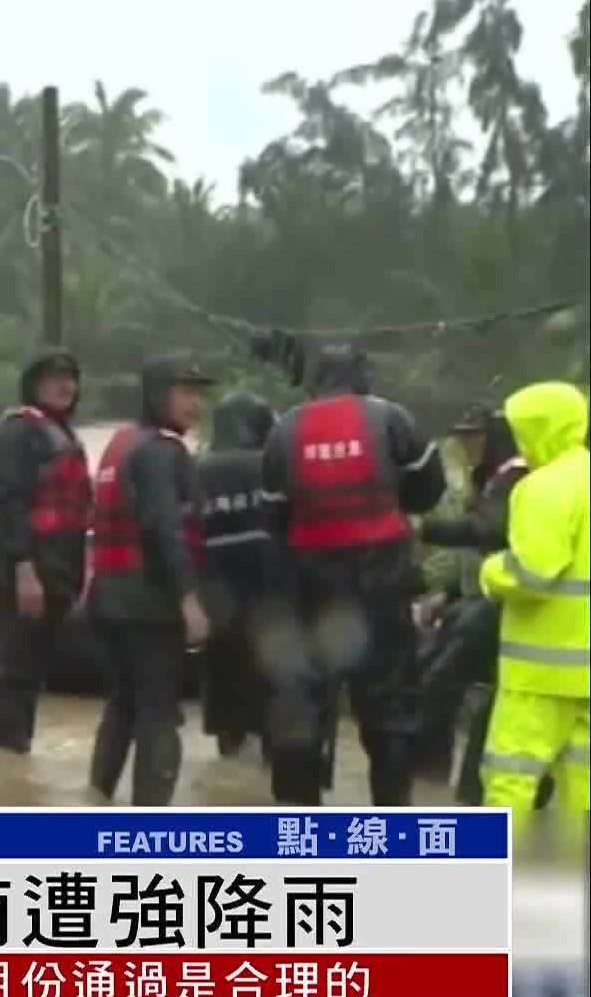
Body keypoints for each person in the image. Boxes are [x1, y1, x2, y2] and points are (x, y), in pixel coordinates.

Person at [257, 344, 447, 806]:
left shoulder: (285, 430)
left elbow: (273, 517)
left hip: (312, 589)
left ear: (315, 381)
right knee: (389, 710)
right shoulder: (392, 418)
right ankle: (392, 821)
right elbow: (430, 489)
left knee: (303, 703)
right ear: (362, 377)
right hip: (383, 585)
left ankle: (302, 824)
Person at [86, 356, 217, 805]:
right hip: (147, 602)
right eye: (186, 393)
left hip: (108, 597)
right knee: (159, 714)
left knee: (122, 705)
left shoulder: (121, 442)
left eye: (199, 394)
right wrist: (190, 599)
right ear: (158, 395)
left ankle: (96, 798)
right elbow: (166, 528)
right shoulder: (163, 451)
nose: (196, 404)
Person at [475, 381, 588, 841]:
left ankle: (496, 872)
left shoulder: (543, 488)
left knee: (511, 776)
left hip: (539, 672)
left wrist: (490, 572)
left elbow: (533, 574)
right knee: (583, 784)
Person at [0, 350, 92, 753]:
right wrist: (25, 570)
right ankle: (5, 761)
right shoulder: (16, 433)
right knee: (15, 668)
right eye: (54, 378)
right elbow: (9, 505)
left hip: (59, 566)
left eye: (70, 378)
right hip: (26, 567)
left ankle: (12, 749)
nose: (65, 386)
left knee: (30, 668)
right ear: (33, 385)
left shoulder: (61, 433)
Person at [411, 404, 529, 797]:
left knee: (447, 679)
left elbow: (489, 532)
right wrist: (446, 593)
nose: (465, 446)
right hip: (480, 597)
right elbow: (474, 556)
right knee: (432, 672)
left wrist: (426, 528)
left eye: (473, 437)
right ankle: (432, 778)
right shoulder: (488, 478)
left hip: (509, 603)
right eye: (461, 438)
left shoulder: (517, 477)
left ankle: (457, 787)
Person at [195, 391, 283, 758]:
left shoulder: (196, 468)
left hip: (214, 590)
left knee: (222, 668)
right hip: (268, 584)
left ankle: (229, 743)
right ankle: (272, 754)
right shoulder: (272, 464)